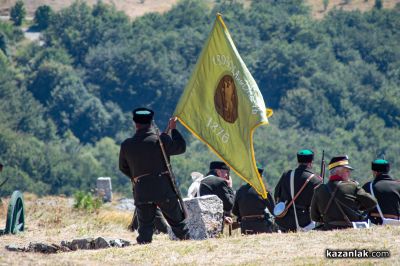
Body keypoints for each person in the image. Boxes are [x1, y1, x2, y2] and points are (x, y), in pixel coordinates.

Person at [119, 107, 189, 244]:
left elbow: (123, 167)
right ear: (151, 122)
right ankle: (191, 249)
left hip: (142, 190)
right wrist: (173, 130)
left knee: (144, 230)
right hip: (163, 189)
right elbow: (180, 147)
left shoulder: (126, 145)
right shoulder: (161, 140)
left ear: (135, 123)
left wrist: (137, 178)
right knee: (179, 226)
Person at [311, 155, 377, 230]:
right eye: (347, 171)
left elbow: (314, 217)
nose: (349, 173)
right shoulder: (352, 186)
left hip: (328, 228)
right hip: (350, 228)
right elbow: (372, 202)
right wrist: (357, 206)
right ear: (338, 172)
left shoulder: (319, 189)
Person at [274, 149, 322, 232]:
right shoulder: (315, 180)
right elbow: (318, 204)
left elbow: (276, 195)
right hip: (304, 221)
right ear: (311, 162)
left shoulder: (286, 174)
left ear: (298, 161)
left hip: (284, 220)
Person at [232, 168, 275, 234]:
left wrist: (244, 215)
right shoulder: (263, 191)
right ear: (260, 177)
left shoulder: (240, 190)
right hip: (260, 226)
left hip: (245, 226)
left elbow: (234, 211)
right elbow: (273, 210)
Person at [362, 159, 400, 225]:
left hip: (375, 222)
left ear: (375, 172)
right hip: (396, 223)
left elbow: (360, 206)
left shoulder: (368, 186)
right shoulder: (398, 185)